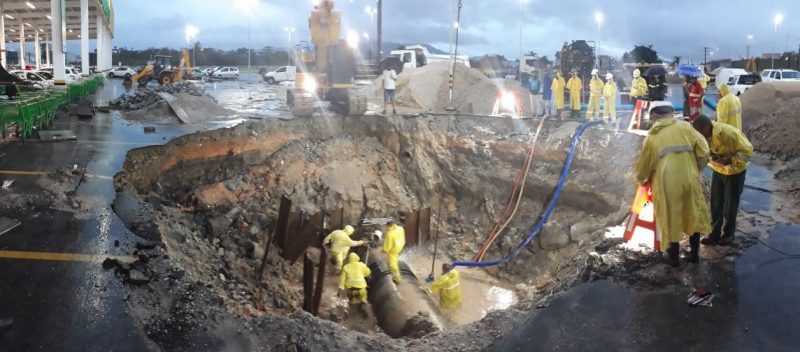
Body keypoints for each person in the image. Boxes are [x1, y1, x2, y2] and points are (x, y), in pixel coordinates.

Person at [635, 101, 711, 266]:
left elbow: (644, 166)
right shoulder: (686, 127)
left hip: (667, 183)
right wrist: (696, 168)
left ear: (655, 116)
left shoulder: (652, 136)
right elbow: (704, 151)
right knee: (693, 215)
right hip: (690, 179)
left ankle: (673, 258)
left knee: (670, 218)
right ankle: (694, 255)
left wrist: (642, 180)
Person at [691, 115, 753, 246]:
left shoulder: (729, 133)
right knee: (715, 202)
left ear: (707, 128)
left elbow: (747, 151)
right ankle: (714, 233)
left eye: (700, 133)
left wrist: (730, 160)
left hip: (735, 171)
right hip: (718, 170)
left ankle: (729, 234)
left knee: (730, 205)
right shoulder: (702, 135)